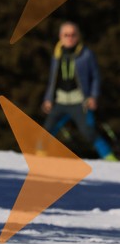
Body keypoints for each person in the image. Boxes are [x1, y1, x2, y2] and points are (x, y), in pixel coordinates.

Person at [41, 21, 117, 161]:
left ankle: (110, 159)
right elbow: (52, 80)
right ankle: (37, 159)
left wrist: (93, 96)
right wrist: (48, 99)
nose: (69, 37)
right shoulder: (56, 55)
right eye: (66, 35)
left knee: (89, 132)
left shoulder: (86, 54)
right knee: (46, 131)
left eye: (73, 35)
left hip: (80, 102)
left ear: (78, 36)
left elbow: (95, 77)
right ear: (60, 36)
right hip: (60, 101)